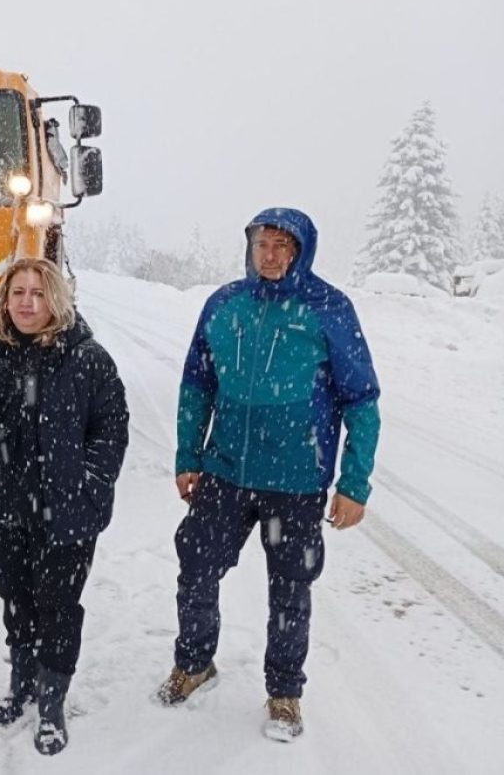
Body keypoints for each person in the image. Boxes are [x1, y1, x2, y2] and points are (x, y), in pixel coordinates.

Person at [155, 208, 381, 742]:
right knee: (197, 567)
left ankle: (284, 692)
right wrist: (189, 456)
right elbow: (196, 385)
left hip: (297, 481)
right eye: (263, 245)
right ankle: (194, 662)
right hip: (225, 473)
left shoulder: (328, 308)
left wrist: (353, 483)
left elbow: (361, 401)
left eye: (284, 245)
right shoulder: (225, 305)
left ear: (302, 251)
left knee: (291, 589)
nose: (272, 255)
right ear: (250, 248)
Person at [0, 258, 129, 756]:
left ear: (56, 299)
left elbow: (112, 429)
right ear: (5, 299)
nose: (27, 303)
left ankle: (52, 701)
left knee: (58, 605)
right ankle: (22, 685)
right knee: (16, 597)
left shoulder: (86, 358)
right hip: (4, 503)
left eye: (38, 293)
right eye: (18, 293)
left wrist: (90, 484)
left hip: (66, 508)